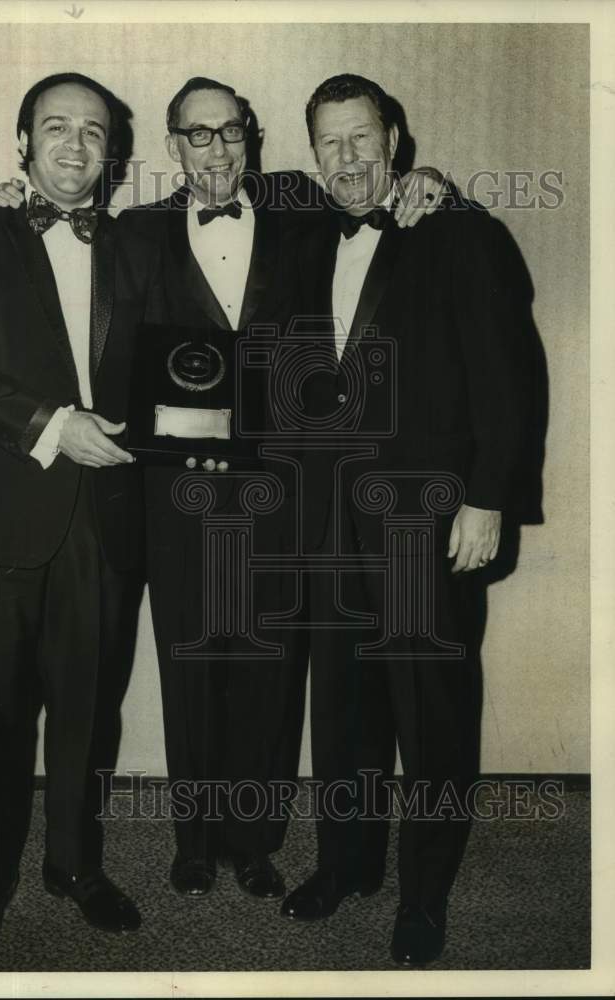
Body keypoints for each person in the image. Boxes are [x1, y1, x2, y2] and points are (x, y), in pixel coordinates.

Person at [0, 75, 445, 903]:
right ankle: (193, 844)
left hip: (284, 491)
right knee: (189, 667)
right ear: (173, 146)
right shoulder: (133, 232)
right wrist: (10, 202)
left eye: (229, 132)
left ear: (250, 138)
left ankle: (254, 841)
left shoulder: (303, 208)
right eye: (197, 135)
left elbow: (375, 194)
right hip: (174, 498)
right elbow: (52, 250)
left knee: (269, 673)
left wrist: (434, 186)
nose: (215, 150)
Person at [279, 73, 529, 966]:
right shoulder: (304, 236)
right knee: (342, 714)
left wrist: (489, 497)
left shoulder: (461, 233)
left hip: (432, 524)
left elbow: (508, 378)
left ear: (392, 138)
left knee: (432, 720)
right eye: (327, 144)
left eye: (359, 139)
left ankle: (423, 897)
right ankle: (346, 864)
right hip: (330, 530)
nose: (345, 160)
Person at [0, 72, 154, 952]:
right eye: (56, 128)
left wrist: (418, 189)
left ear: (112, 153)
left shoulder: (137, 247)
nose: (75, 146)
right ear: (22, 144)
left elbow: (245, 207)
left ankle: (75, 865)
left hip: (104, 513)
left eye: (93, 132)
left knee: (90, 708)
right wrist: (51, 424)